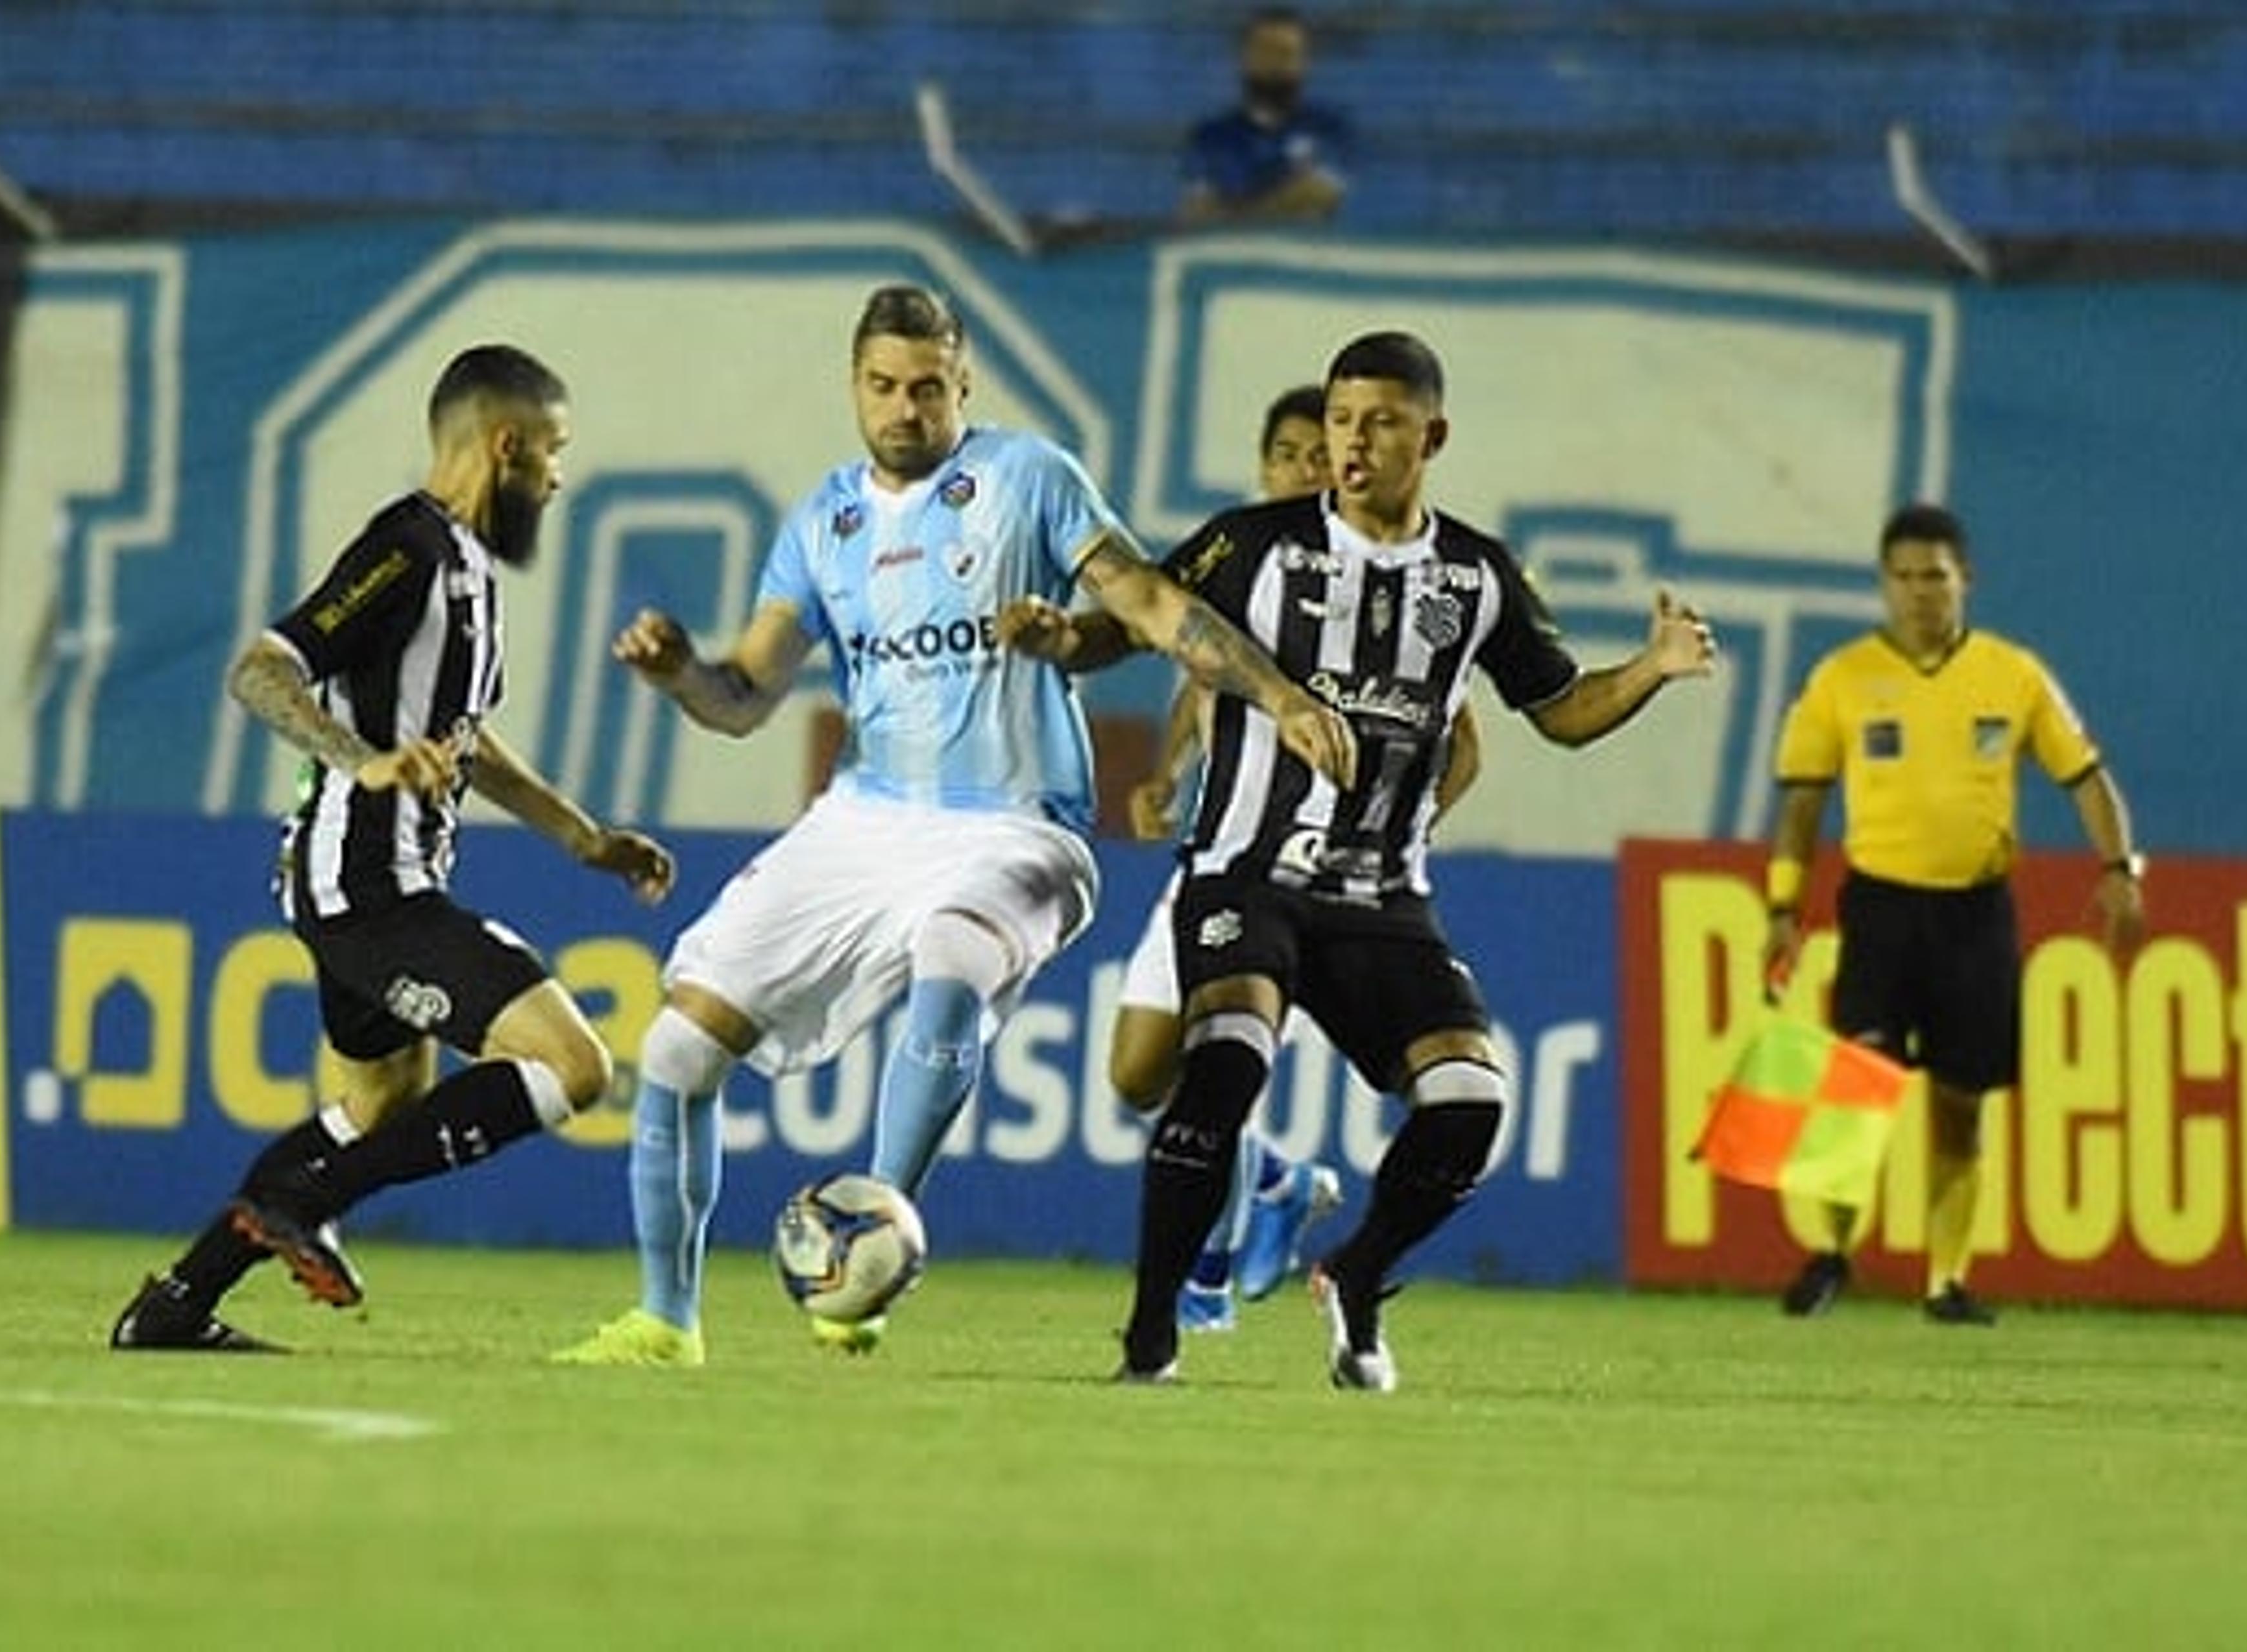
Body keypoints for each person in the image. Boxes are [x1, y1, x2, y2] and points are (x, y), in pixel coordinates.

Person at [550, 284, 1354, 1369]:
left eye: (928, 387)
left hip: (1020, 828)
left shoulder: (1030, 479)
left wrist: (1279, 693)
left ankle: (872, 1246)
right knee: (682, 1044)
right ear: (854, 387)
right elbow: (746, 694)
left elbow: (1158, 608)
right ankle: (665, 1321)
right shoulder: (823, 523)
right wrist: (679, 669)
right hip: (864, 819)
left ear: (961, 385)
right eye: (883, 387)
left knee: (949, 950)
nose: (905, 409)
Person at [1004, 331, 1718, 1390]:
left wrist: (1652, 668)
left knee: (1473, 1102)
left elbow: (1561, 713)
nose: (1353, 443)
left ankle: (1357, 1278)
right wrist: (1070, 640)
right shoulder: (1253, 542)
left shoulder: (1475, 576)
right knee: (1226, 1063)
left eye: (1381, 423)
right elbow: (1148, 615)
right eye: (1341, 421)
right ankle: (1151, 1335)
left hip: (1383, 899)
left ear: (1432, 436)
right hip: (1245, 875)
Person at [110, 344, 675, 1352]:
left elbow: (468, 742)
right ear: (505, 446)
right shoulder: (405, 547)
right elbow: (262, 669)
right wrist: (356, 758)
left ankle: (175, 1306)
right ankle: (307, 1206)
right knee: (573, 1063)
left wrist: (582, 836)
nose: (558, 475)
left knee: (378, 1106)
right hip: (369, 885)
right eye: (553, 452)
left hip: (373, 885)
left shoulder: (473, 572)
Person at [1110, 385, 1485, 1333]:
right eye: (1287, 452)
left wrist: (1398, 824)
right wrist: (1167, 776)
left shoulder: (1387, 593)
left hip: (1340, 892)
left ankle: (1194, 1284)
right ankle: (1274, 1180)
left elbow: (1461, 738)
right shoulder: (1250, 569)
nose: (1307, 467)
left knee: (1222, 1060)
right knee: (1135, 1076)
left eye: (1321, 453)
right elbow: (1200, 684)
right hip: (1224, 859)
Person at [1763, 503, 2146, 1327]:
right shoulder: (1843, 678)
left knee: (1961, 1102)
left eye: (1933, 576)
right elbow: (1802, 802)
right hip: (1881, 910)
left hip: (1976, 915)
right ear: (1883, 584)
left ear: (1964, 579)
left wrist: (2119, 867)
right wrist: (1784, 902)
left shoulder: (2012, 675)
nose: (1917, 594)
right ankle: (1833, 1250)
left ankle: (1947, 1279)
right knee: (1857, 1087)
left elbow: (2085, 775)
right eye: (1901, 578)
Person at [1177, 7, 1352, 226]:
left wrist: (1232, 215)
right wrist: (1287, 201)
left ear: (1306, 62)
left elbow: (1318, 197)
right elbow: (1197, 213)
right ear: (1242, 59)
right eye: (1265, 52)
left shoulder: (1329, 131)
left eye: (1286, 53)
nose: (1275, 65)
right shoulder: (1209, 138)